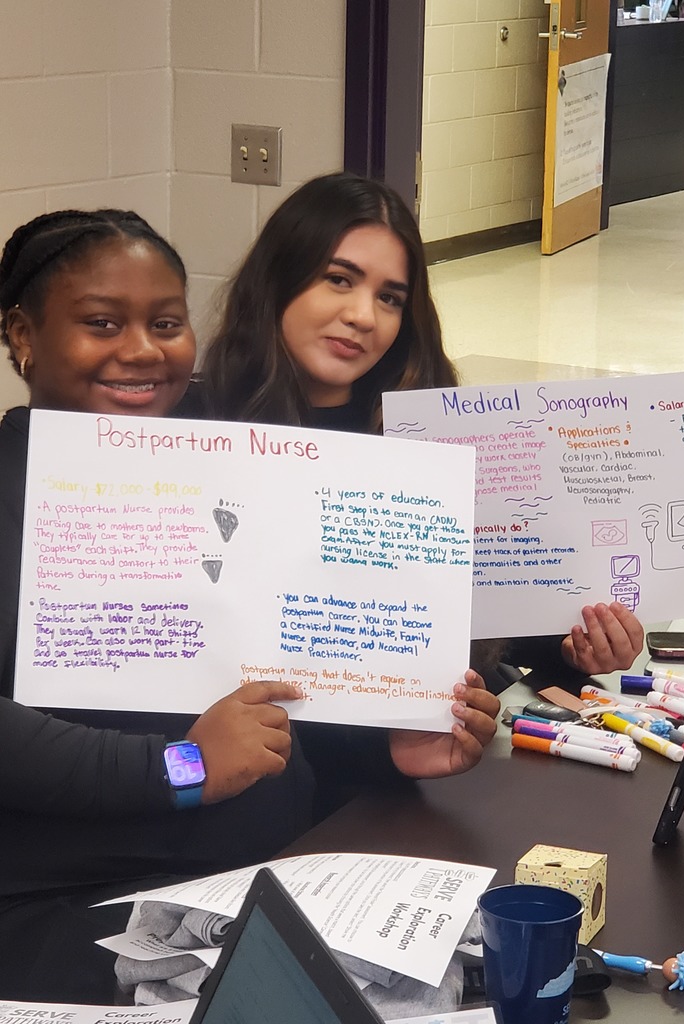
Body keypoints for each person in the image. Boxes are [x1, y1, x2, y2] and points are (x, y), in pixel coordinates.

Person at [0, 208, 499, 1003]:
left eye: (166, 322)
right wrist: (184, 768)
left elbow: (278, 680)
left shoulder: (220, 462)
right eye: (102, 322)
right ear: (23, 336)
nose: (141, 350)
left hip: (260, 877)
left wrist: (389, 749)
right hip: (70, 912)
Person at [194, 173, 644, 685]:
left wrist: (578, 644)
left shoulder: (434, 442)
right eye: (339, 279)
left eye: (390, 298)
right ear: (278, 279)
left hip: (410, 742)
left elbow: (497, 616)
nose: (363, 316)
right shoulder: (195, 426)